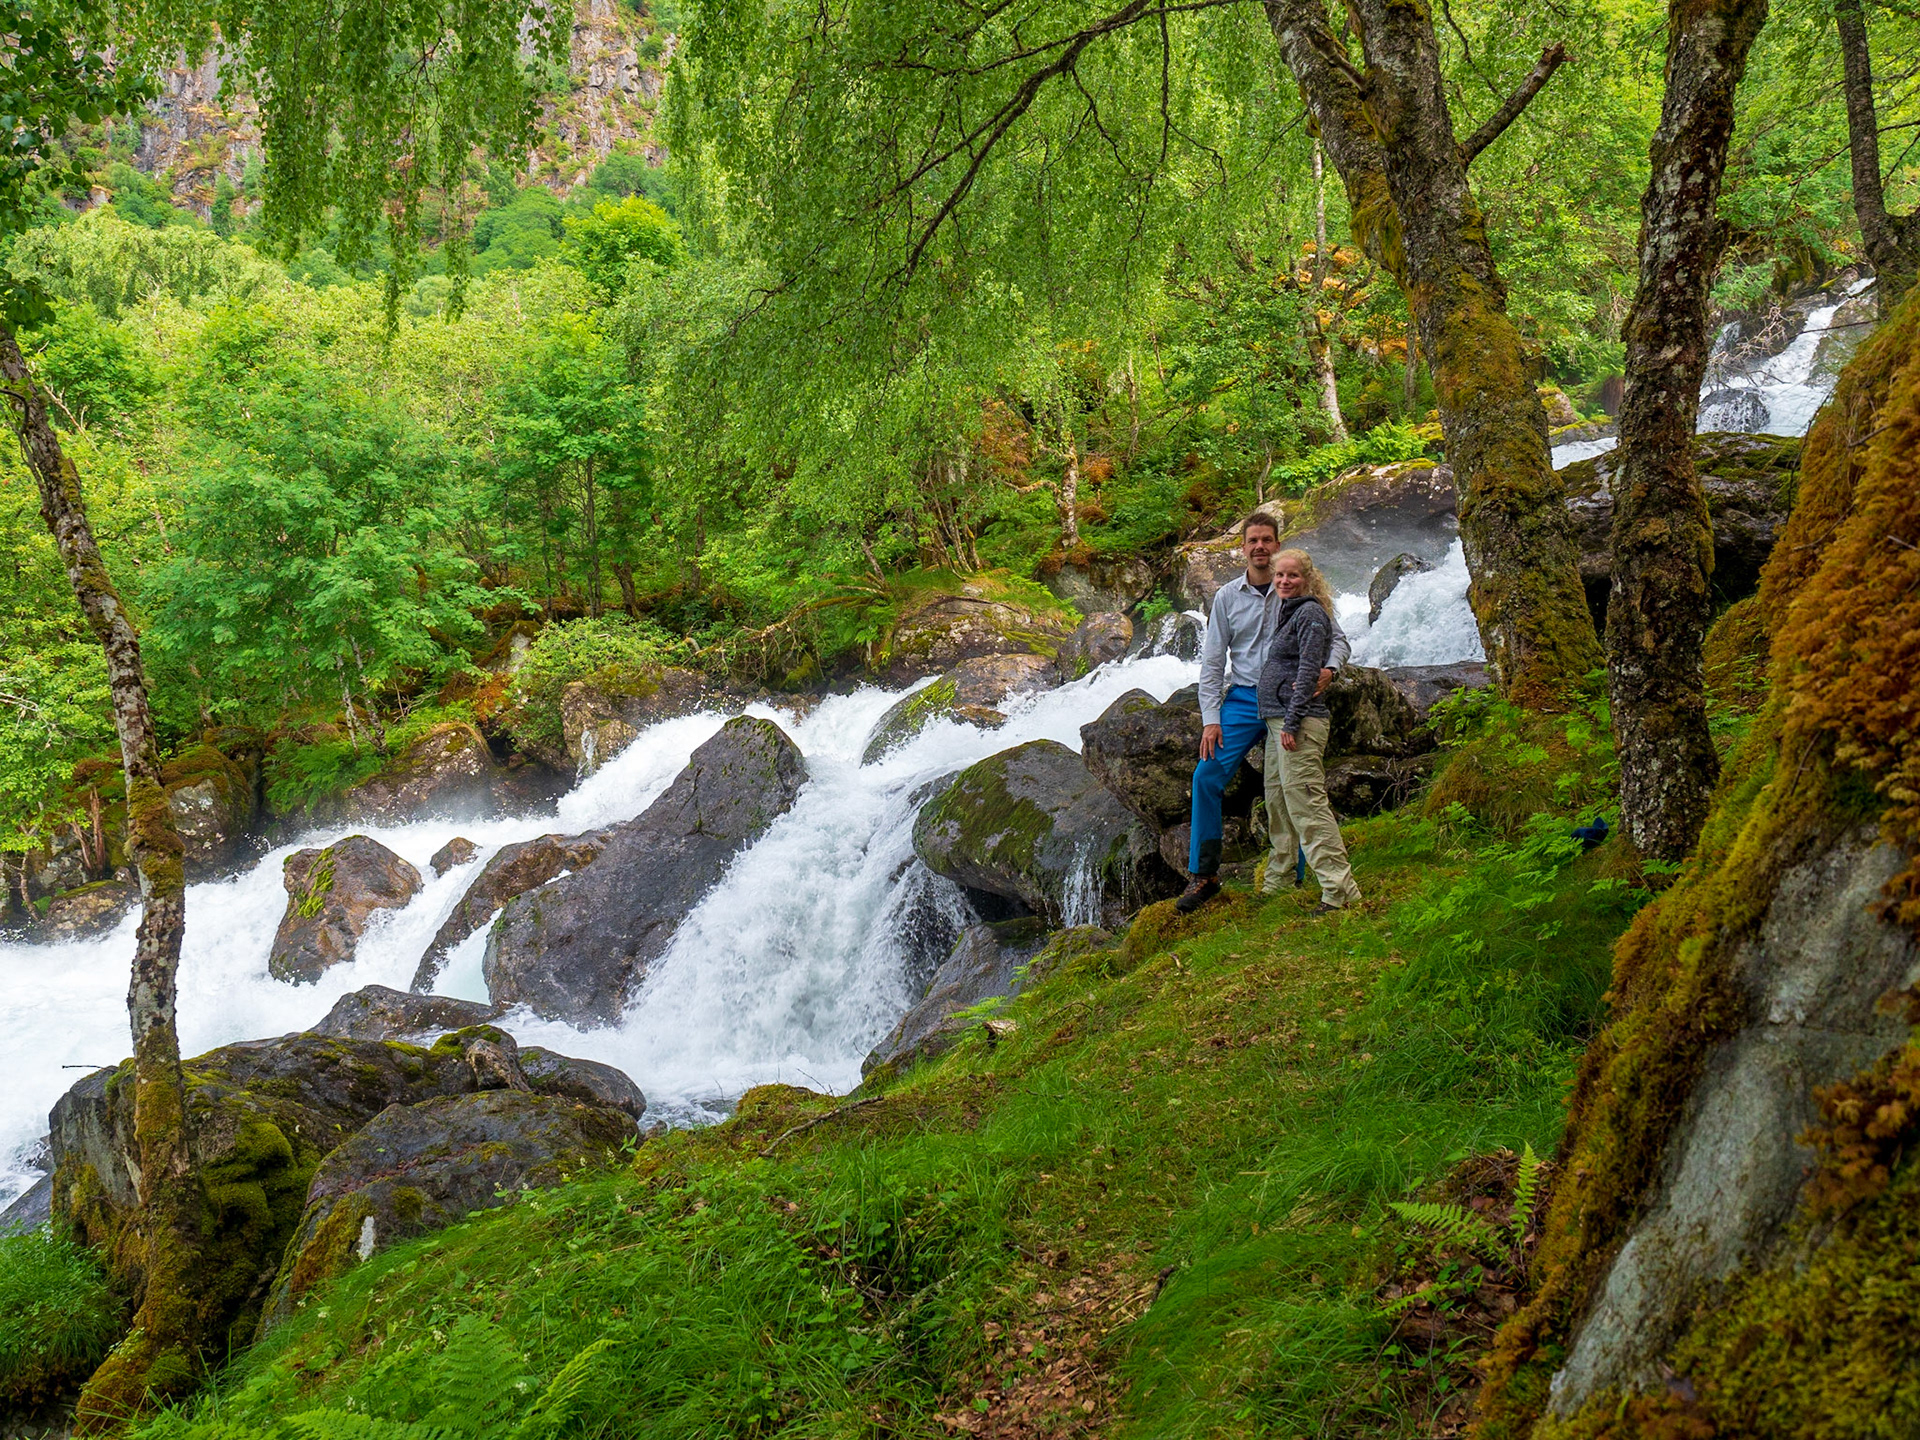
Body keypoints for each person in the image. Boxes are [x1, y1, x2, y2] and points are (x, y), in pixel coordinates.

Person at [1176, 513, 1349, 913]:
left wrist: (1331, 669)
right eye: (1252, 540)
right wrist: (1210, 719)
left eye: (1267, 540)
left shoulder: (1295, 587)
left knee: (1291, 787)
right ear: (1243, 548)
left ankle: (1297, 875)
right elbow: (1213, 662)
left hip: (1288, 702)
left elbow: (1337, 638)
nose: (1260, 547)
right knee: (1206, 775)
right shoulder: (1226, 597)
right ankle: (1205, 875)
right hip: (1242, 700)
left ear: (1277, 544)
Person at [1256, 548, 1361, 913]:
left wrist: (1292, 720)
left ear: (1308, 578)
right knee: (1279, 802)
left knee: (1308, 807)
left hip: (1295, 722)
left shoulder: (1311, 613)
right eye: (1279, 575)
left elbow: (1308, 671)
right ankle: (1279, 882)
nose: (1285, 581)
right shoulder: (1289, 611)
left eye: (1293, 576)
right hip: (1277, 722)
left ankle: (1339, 893)